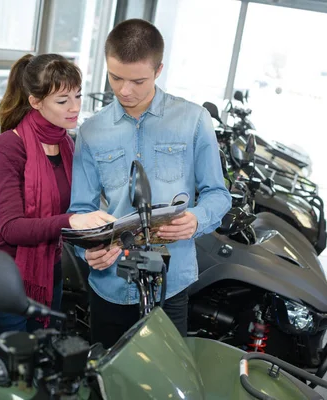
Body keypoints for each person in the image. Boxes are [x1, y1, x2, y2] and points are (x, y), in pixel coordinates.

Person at [68, 19, 232, 348]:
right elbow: (80, 210)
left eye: (138, 80)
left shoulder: (194, 120)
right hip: (110, 284)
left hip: (169, 283)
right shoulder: (91, 131)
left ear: (158, 70)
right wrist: (88, 249)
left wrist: (196, 220)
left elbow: (218, 193)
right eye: (116, 78)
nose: (125, 90)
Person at [0, 53, 115, 357]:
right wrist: (71, 220)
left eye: (77, 96)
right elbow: (11, 229)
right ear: (35, 101)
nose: (75, 107)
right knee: (9, 377)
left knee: (42, 365)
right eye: (63, 100)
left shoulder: (64, 142)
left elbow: (74, 205)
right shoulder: (8, 148)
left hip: (48, 272)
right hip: (5, 281)